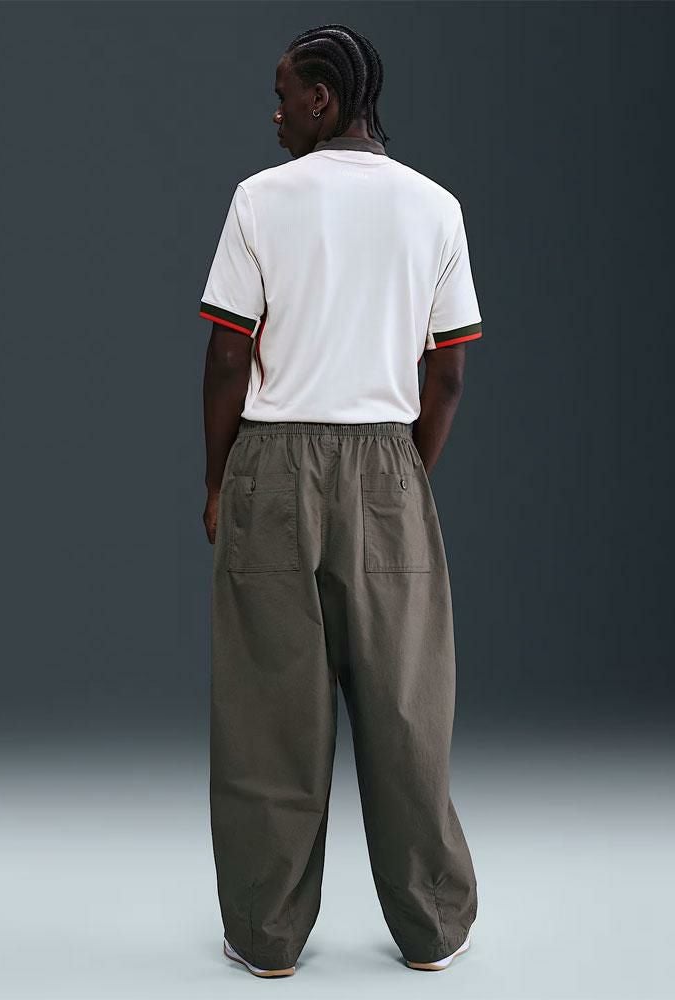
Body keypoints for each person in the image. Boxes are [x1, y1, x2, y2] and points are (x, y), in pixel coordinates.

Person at [199, 23, 483, 979]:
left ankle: (267, 936)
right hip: (388, 462)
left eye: (284, 96)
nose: (275, 114)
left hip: (272, 464)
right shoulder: (435, 207)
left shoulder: (261, 199)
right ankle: (432, 927)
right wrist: (403, 479)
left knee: (270, 710)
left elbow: (229, 354)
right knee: (407, 707)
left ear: (322, 99)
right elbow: (448, 375)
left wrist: (217, 480)